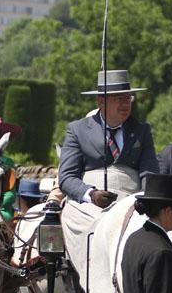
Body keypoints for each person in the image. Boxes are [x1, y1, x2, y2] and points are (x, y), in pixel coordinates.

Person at [58, 69, 158, 206]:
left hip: (131, 202)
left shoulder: (141, 130)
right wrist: (91, 194)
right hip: (87, 204)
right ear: (101, 102)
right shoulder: (77, 130)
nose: (125, 104)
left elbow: (150, 174)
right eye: (118, 99)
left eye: (128, 98)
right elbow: (66, 177)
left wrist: (145, 200)